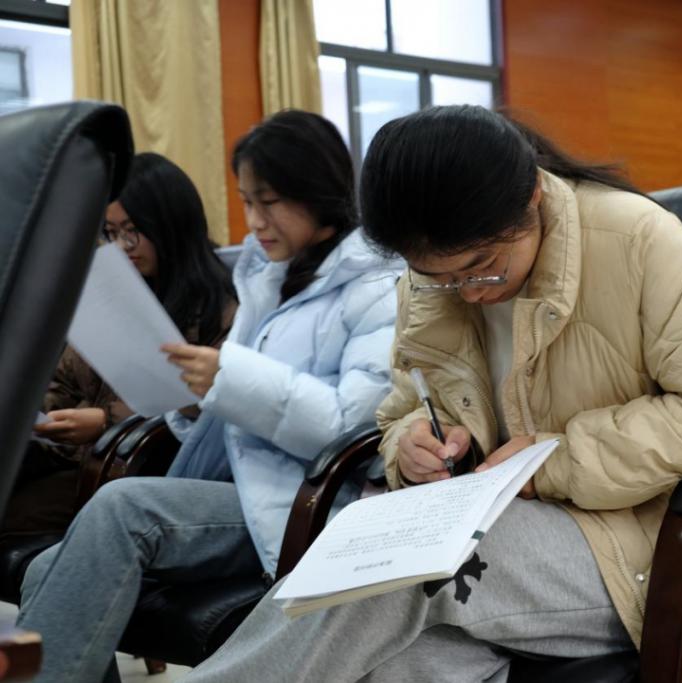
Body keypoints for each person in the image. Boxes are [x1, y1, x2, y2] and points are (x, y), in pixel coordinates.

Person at [184, 105, 682, 682]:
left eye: (483, 267)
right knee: (406, 656)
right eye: (439, 277)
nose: (468, 292)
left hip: (677, 537)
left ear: (534, 198)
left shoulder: (636, 239)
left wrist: (553, 461)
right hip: (508, 538)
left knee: (402, 571)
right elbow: (403, 405)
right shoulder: (428, 280)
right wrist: (409, 444)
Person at [16, 110, 402, 683]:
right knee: (46, 568)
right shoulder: (268, 277)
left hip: (308, 502)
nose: (254, 221)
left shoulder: (377, 288)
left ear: (317, 193)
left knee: (125, 507)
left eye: (269, 202)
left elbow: (351, 425)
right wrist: (192, 401)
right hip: (242, 487)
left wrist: (228, 379)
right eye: (247, 202)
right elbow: (234, 404)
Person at [0, 152, 236, 552]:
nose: (122, 246)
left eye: (133, 231)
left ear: (169, 225)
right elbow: (64, 378)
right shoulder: (109, 289)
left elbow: (199, 409)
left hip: (132, 465)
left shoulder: (218, 306)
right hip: (73, 455)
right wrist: (45, 416)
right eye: (111, 232)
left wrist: (104, 421)